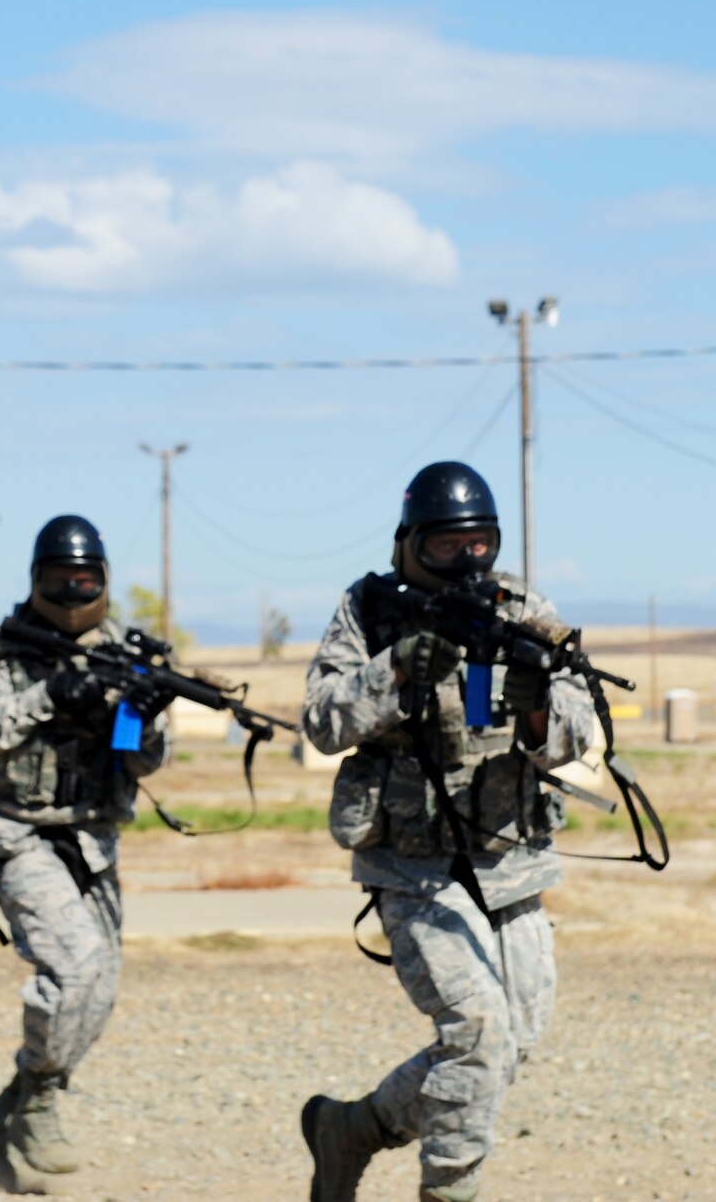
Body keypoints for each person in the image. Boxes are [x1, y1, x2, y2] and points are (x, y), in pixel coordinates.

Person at [298, 462, 598, 1202]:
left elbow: (577, 730)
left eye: (481, 543)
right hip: (412, 865)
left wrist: (533, 708)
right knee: (478, 1032)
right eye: (445, 547)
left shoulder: (521, 607)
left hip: (509, 859)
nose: (467, 561)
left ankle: (356, 1128)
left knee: (507, 1046)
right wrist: (394, 672)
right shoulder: (367, 610)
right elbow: (322, 721)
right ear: (408, 544)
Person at [0, 514, 173, 1184]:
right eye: (60, 580)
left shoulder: (125, 651)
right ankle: (41, 1102)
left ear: (104, 581)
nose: (74, 593)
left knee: (97, 994)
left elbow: (146, 765)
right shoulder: (0, 649)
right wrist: (50, 694)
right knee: (73, 972)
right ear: (36, 580)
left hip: (93, 843)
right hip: (19, 837)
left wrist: (146, 710)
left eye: (86, 581)